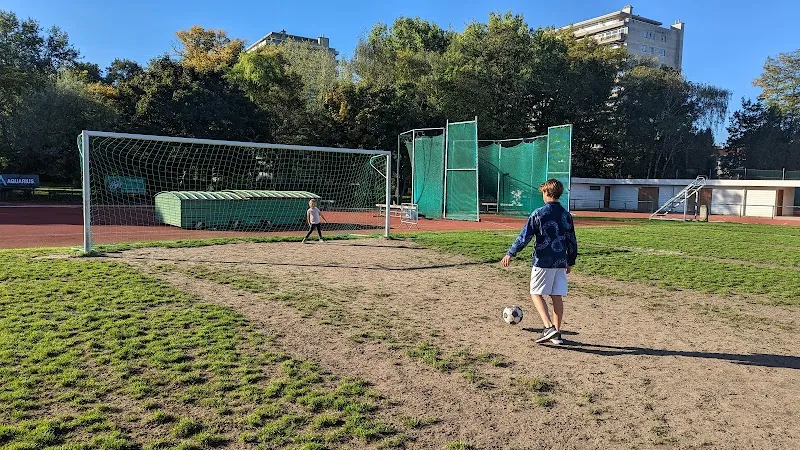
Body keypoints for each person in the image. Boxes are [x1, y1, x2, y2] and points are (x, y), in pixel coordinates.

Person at [500, 179, 578, 345]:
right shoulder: (566, 215)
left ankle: (549, 327)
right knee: (556, 295)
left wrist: (511, 253)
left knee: (535, 293)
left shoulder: (539, 213)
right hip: (560, 262)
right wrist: (570, 260)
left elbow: (525, 236)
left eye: (543, 192)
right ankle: (557, 334)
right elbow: (572, 240)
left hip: (543, 260)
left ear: (547, 193)